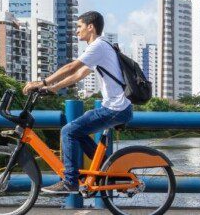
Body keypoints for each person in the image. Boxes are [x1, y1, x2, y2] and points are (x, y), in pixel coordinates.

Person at [22, 10, 133, 194]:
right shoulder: (102, 46)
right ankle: (109, 174)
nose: (76, 31)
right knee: (78, 133)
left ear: (91, 27)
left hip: (115, 108)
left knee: (68, 131)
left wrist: (42, 82)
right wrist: (54, 88)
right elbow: (78, 74)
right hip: (116, 107)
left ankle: (70, 181)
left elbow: (71, 67)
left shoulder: (98, 46)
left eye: (79, 27)